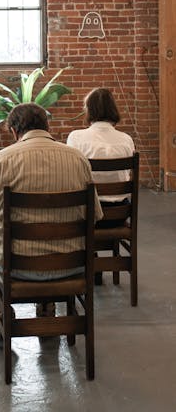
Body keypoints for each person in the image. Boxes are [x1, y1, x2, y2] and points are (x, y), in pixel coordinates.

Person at [0, 103, 103, 323]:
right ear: (48, 127)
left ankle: (2, 308)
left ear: (14, 132)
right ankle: (47, 304)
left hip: (18, 267)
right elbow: (93, 217)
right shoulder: (78, 159)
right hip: (71, 264)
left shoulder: (0, 161)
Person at [67, 87, 136, 283]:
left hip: (88, 215)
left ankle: (87, 263)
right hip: (119, 214)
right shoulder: (126, 140)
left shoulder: (76, 138)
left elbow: (73, 176)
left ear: (89, 110)